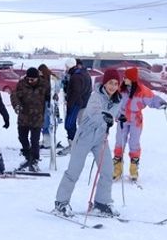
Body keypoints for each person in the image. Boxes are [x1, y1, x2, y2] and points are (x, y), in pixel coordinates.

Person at [53, 68, 127, 218]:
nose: (112, 86)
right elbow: (95, 114)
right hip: (84, 137)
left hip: (101, 138)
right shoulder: (95, 96)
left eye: (115, 83)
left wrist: (120, 116)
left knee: (107, 170)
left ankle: (102, 202)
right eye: (110, 83)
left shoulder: (117, 99)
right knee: (74, 171)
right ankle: (61, 203)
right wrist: (106, 117)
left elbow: (114, 113)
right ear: (104, 83)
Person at [113, 66, 167, 182]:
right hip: (122, 120)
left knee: (134, 143)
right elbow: (114, 104)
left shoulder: (142, 90)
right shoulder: (120, 90)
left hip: (136, 120)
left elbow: (152, 99)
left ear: (132, 78)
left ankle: (134, 169)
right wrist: (117, 116)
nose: (124, 79)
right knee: (119, 142)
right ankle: (117, 168)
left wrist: (161, 103)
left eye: (126, 77)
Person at [11, 67, 47, 172]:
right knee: (22, 138)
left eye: (33, 79)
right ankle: (28, 157)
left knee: (35, 141)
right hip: (24, 117)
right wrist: (16, 106)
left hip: (37, 117)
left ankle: (34, 160)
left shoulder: (44, 85)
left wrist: (54, 97)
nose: (30, 81)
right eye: (29, 79)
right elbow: (14, 96)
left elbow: (50, 95)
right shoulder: (21, 84)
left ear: (37, 78)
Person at [62, 58, 92, 146]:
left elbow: (75, 92)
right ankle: (76, 142)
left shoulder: (76, 76)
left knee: (70, 124)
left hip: (77, 103)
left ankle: (74, 143)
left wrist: (70, 104)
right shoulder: (83, 74)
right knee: (77, 124)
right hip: (82, 102)